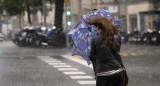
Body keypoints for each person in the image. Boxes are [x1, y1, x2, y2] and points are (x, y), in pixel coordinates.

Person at [87, 17, 128, 86]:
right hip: (117, 72)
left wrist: (96, 73)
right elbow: (117, 56)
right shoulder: (117, 38)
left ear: (98, 28)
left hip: (103, 73)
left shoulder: (95, 39)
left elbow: (93, 58)